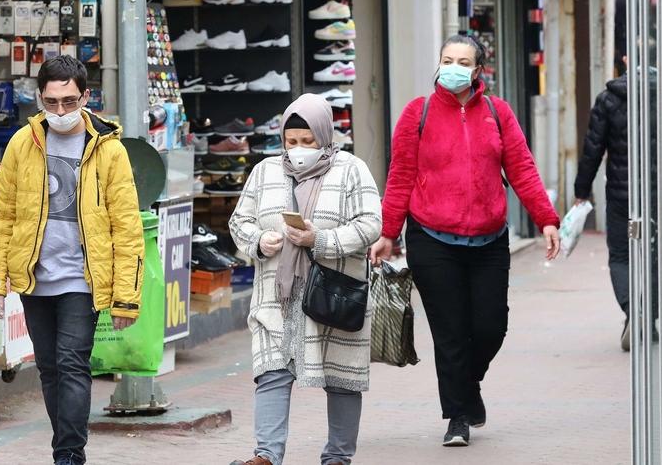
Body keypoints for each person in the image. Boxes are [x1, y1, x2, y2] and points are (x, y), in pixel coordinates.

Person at [369, 34, 561, 447]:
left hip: (489, 241)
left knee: (492, 327)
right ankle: (457, 416)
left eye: (462, 62)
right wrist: (388, 232)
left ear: (477, 71)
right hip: (431, 239)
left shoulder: (497, 112)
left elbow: (523, 168)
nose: (452, 67)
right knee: (450, 332)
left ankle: (468, 387)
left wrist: (546, 219)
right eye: (447, 59)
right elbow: (400, 176)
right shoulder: (417, 113)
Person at [0, 55, 144, 465]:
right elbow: (1, 216)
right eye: (51, 102)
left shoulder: (109, 150)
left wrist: (126, 297)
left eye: (69, 101)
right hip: (35, 278)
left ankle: (69, 454)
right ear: (40, 98)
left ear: (86, 97)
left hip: (81, 279)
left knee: (72, 364)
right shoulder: (22, 143)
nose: (60, 111)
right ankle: (65, 447)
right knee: (50, 368)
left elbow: (126, 227)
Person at [229, 94, 382, 465]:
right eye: (291, 141)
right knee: (272, 371)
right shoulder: (265, 171)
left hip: (334, 292)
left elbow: (370, 224)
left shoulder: (351, 169)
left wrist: (321, 240)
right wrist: (259, 241)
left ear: (324, 136)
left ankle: (338, 457)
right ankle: (266, 456)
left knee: (341, 378)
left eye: (308, 141)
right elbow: (240, 221)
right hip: (277, 297)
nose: (298, 149)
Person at [574, 55, 662, 351]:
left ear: (626, 62)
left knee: (620, 256)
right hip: (656, 196)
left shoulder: (608, 100)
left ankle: (631, 310)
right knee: (654, 258)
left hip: (620, 196)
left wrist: (581, 191)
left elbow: (592, 149)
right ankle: (647, 319)